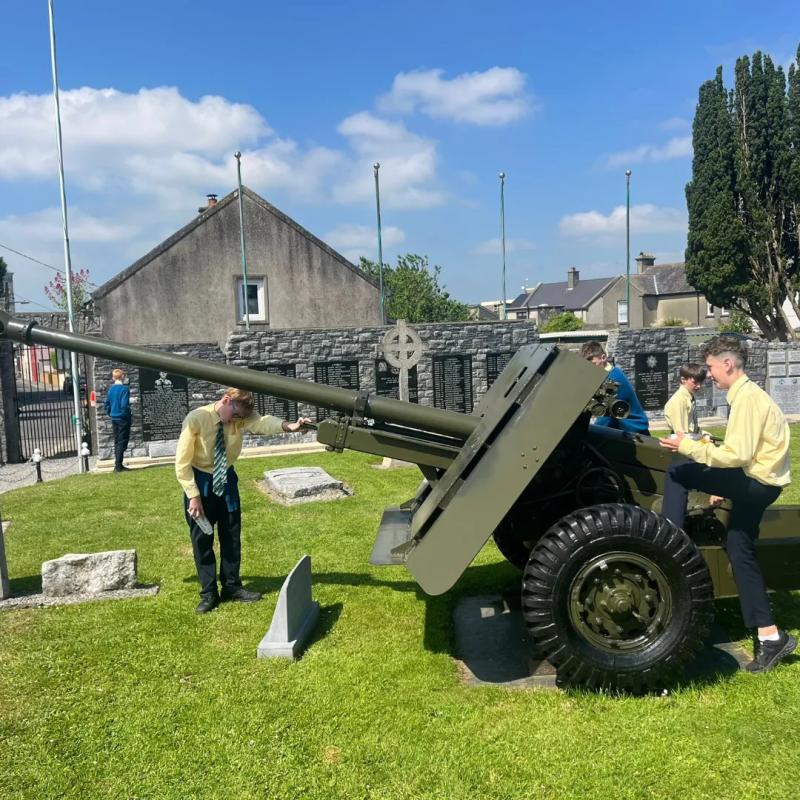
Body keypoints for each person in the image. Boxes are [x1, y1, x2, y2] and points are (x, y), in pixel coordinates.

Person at [659, 335, 795, 673]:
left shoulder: (747, 399)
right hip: (761, 482)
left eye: (711, 368)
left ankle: (668, 546)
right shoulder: (747, 395)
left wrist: (686, 447)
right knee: (739, 547)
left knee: (678, 469)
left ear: (728, 364)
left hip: (755, 482)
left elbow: (736, 456)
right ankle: (770, 636)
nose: (709, 375)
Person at [176, 387, 311, 614]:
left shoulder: (239, 417)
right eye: (236, 416)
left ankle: (231, 586)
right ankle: (209, 593)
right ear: (226, 400)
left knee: (231, 535)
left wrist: (290, 426)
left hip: (226, 479)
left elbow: (262, 422)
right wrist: (194, 496)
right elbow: (181, 463)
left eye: (241, 419)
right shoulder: (197, 419)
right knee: (202, 539)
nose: (237, 422)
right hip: (201, 480)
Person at [579, 341, 650, 435]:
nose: (590, 370)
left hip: (634, 430)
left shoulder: (613, 379)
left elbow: (605, 416)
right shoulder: (608, 375)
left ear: (603, 357)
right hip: (622, 428)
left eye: (593, 364)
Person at [663, 362, 706, 435]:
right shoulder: (679, 400)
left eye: (700, 382)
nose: (699, 386)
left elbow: (685, 427)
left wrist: (701, 434)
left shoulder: (688, 397)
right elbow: (680, 432)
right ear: (683, 379)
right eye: (695, 382)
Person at [104, 368, 132, 473]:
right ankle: (118, 466)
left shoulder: (111, 390)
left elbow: (107, 404)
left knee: (117, 441)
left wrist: (111, 413)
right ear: (123, 376)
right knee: (122, 441)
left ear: (113, 377)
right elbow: (124, 405)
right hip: (123, 418)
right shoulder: (124, 389)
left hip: (114, 418)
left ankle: (118, 464)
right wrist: (127, 414)